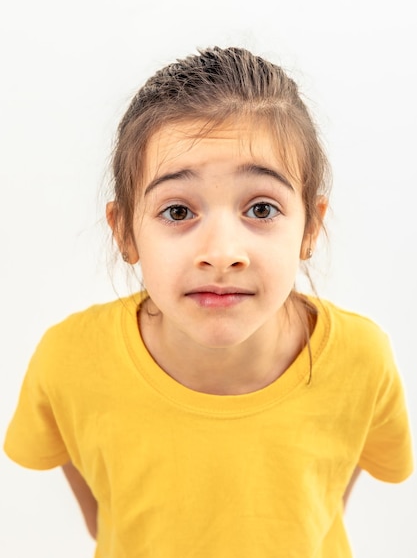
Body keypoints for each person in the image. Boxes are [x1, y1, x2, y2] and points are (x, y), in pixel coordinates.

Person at [4, 46, 413, 557]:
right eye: (177, 211)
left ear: (310, 227)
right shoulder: (68, 361)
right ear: (125, 232)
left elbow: (323, 506)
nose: (222, 254)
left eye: (261, 207)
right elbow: (105, 519)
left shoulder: (361, 358)